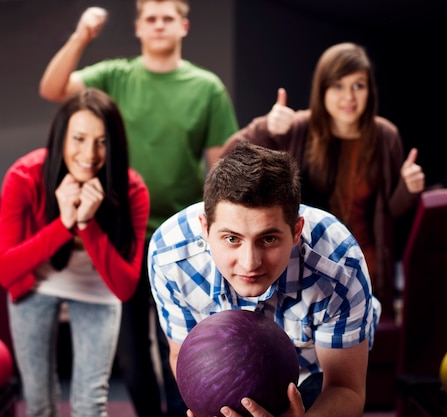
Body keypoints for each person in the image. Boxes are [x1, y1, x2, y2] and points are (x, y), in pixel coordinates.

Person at [39, 1, 239, 416]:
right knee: (132, 353)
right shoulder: (115, 75)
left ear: (183, 26)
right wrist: (81, 36)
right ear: (138, 28)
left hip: (187, 240)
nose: (159, 25)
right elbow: (52, 90)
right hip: (124, 235)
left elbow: (224, 169)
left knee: (186, 346)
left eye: (168, 18)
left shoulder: (207, 88)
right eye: (151, 18)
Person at [149, 141, 381, 417]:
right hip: (230, 370)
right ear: (205, 228)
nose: (250, 263)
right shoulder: (170, 256)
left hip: (315, 366)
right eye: (231, 239)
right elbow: (183, 357)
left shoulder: (339, 265)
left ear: (296, 231)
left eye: (268, 239)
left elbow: (346, 389)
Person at [221, 42, 424, 318]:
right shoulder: (301, 127)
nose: (349, 96)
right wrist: (266, 126)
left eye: (358, 86)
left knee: (364, 350)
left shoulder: (384, 135)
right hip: (310, 266)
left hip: (368, 266)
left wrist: (408, 189)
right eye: (338, 86)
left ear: (370, 91)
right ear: (322, 89)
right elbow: (229, 157)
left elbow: (391, 211)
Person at [0, 87, 150, 417]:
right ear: (61, 138)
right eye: (78, 138)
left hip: (98, 286)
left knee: (89, 406)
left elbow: (124, 287)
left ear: (115, 144)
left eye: (102, 141)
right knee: (38, 402)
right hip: (36, 282)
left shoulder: (132, 189)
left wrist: (87, 224)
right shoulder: (23, 177)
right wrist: (63, 225)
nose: (89, 153)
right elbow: (5, 271)